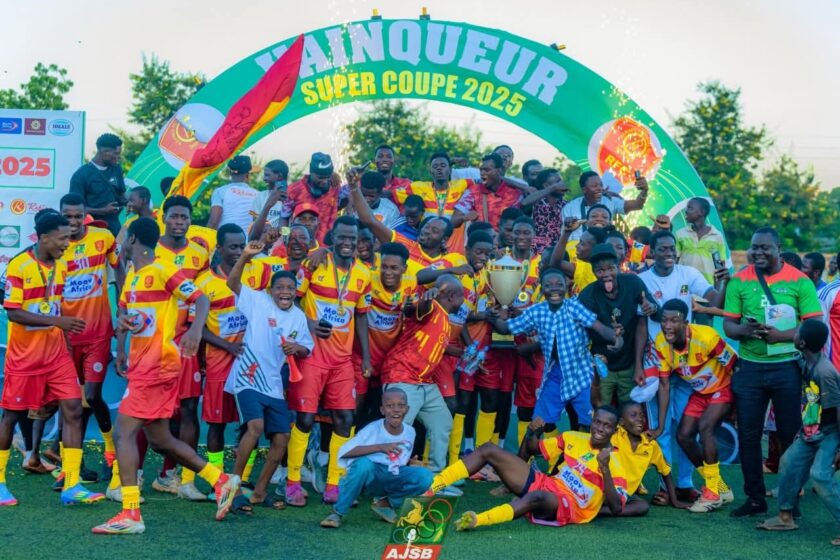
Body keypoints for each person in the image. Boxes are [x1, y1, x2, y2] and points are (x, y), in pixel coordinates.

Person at [92, 217, 239, 534]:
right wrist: (124, 333)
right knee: (160, 439)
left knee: (123, 433)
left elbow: (200, 298)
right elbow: (133, 319)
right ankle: (221, 480)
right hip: (143, 363)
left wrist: (196, 331)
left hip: (157, 365)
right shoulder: (133, 278)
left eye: (122, 239)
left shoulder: (163, 269)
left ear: (131, 240)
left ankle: (130, 514)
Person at [0, 213, 104, 507]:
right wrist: (58, 321)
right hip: (25, 357)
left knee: (73, 407)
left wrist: (64, 336)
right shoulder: (19, 267)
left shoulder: (62, 266)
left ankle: (71, 484)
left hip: (56, 355)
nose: (67, 244)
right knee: (10, 415)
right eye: (62, 238)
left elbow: (54, 304)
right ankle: (0, 483)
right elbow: (14, 313)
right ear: (44, 238)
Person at [723, 226, 823, 517]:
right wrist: (745, 330)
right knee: (749, 436)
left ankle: (791, 500)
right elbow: (729, 325)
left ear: (779, 249)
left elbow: (814, 326)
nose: (758, 252)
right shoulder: (739, 281)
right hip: (750, 369)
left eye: (765, 247)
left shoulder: (799, 281)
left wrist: (780, 336)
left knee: (791, 436)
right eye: (755, 247)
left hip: (787, 368)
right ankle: (755, 499)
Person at [638, 229, 729, 503]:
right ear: (652, 251)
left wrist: (722, 283)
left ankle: (686, 483)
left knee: (685, 427)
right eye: (662, 249)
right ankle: (666, 487)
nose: (668, 253)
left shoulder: (688, 274)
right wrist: (638, 363)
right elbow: (640, 324)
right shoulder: (641, 280)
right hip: (657, 365)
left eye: (671, 249)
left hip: (688, 366)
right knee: (661, 428)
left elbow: (714, 300)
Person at [286, 216, 372, 506]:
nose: (347, 243)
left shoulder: (364, 274)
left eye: (353, 238)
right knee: (306, 419)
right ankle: (293, 482)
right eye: (342, 237)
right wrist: (310, 324)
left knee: (345, 419)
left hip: (342, 361)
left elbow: (361, 316)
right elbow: (291, 300)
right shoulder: (315, 263)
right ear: (332, 238)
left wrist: (366, 358)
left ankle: (335, 483)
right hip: (312, 356)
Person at [428, 407, 630, 529]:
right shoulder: (574, 437)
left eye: (606, 426)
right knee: (489, 449)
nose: (600, 429)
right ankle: (433, 487)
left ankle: (478, 520)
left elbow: (616, 507)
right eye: (597, 422)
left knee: (537, 496)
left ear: (615, 429)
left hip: (569, 505)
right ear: (592, 421)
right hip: (548, 483)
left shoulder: (617, 464)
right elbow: (533, 448)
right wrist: (534, 431)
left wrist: (605, 469)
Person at [225, 239, 314, 510]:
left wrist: (296, 347)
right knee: (255, 427)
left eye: (290, 288)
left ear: (296, 292)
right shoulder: (258, 301)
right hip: (248, 377)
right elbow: (232, 283)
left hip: (274, 384)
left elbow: (306, 349)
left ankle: (260, 491)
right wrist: (246, 257)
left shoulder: (298, 316)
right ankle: (232, 488)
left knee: (282, 438)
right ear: (271, 290)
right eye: (280, 287)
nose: (285, 291)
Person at [487, 268, 621, 430]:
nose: (554, 288)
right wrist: (493, 317)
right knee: (537, 424)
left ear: (566, 287)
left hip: (582, 372)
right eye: (549, 285)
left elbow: (599, 327)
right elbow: (506, 328)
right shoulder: (537, 311)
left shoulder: (574, 307)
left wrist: (616, 338)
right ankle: (527, 454)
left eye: (559, 284)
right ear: (542, 289)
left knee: (590, 424)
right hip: (555, 373)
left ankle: (585, 454)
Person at [756, 319, 840, 546]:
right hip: (810, 431)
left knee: (821, 476)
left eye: (795, 334)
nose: (791, 335)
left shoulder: (825, 372)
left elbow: (837, 409)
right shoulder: (804, 361)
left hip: (830, 433)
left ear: (801, 342)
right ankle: (785, 516)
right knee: (787, 463)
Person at [650, 299, 738, 513]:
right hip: (701, 394)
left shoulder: (706, 336)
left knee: (705, 427)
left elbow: (737, 367)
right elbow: (664, 386)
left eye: (674, 320)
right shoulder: (661, 343)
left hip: (724, 387)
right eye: (664, 320)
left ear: (686, 322)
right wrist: (661, 426)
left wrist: (735, 409)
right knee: (683, 435)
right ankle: (719, 486)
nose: (667, 325)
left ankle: (712, 494)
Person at [59, 194, 122, 483]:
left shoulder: (103, 237)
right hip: (67, 338)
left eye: (77, 216)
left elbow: (119, 268)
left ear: (85, 215)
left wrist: (124, 304)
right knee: (71, 402)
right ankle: (72, 467)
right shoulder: (55, 247)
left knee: (92, 396)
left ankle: (111, 450)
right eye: (67, 216)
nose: (72, 222)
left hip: (98, 332)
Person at [151, 195, 211, 500]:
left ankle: (184, 479)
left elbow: (204, 296)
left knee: (188, 408)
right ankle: (128, 478)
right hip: (152, 343)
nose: (179, 222)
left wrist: (196, 331)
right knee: (148, 410)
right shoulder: (151, 250)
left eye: (184, 218)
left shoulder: (200, 254)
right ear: (164, 217)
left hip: (187, 342)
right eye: (174, 216)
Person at [418, 233, 493, 461]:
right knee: (439, 405)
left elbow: (461, 317)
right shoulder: (453, 260)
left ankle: (450, 460)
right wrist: (452, 271)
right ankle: (425, 457)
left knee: (452, 404)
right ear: (467, 249)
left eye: (487, 254)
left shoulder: (482, 277)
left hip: (454, 351)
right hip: (433, 350)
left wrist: (472, 348)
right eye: (478, 252)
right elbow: (421, 276)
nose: (482, 257)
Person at [380, 275, 463, 473]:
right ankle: (387, 479)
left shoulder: (445, 318)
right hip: (402, 377)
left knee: (443, 422)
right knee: (397, 430)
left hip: (424, 382)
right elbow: (421, 309)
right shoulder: (433, 307)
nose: (464, 301)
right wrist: (427, 298)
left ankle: (434, 478)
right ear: (451, 296)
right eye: (462, 296)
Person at [320, 387, 433, 529]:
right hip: (368, 479)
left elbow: (397, 460)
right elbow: (344, 451)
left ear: (407, 409)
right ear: (382, 410)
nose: (396, 410)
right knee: (364, 465)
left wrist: (411, 463)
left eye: (401, 405)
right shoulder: (372, 429)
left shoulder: (410, 431)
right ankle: (338, 512)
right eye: (390, 406)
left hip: (391, 475)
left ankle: (386, 503)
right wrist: (380, 447)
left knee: (425, 476)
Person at [194, 225, 249, 492]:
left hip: (249, 363)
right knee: (216, 423)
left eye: (242, 246)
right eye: (233, 246)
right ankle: (216, 477)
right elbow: (198, 328)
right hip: (219, 362)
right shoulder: (204, 282)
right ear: (219, 249)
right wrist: (227, 346)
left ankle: (243, 477)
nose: (238, 251)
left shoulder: (254, 275)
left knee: (250, 421)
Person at [482, 217, 543, 449]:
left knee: (528, 399)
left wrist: (526, 314)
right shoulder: (499, 261)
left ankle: (523, 453)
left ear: (533, 236)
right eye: (517, 232)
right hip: (503, 335)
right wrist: (501, 309)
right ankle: (489, 447)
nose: (521, 237)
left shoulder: (540, 263)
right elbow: (490, 294)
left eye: (527, 232)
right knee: (501, 393)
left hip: (531, 338)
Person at [578, 244, 657, 406]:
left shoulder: (633, 283)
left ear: (618, 267)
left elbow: (655, 314)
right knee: (601, 413)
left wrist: (652, 307)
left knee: (630, 413)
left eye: (611, 269)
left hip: (629, 365)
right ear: (594, 272)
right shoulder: (587, 295)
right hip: (602, 367)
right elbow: (584, 333)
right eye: (600, 270)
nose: (606, 274)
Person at [352, 243, 417, 428]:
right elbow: (360, 314)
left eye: (394, 268)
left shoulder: (410, 283)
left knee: (380, 407)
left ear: (404, 268)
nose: (388, 272)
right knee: (357, 407)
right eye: (385, 267)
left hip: (389, 357)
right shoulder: (368, 278)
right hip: (362, 355)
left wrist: (410, 309)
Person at [350, 180, 465, 275]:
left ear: (444, 239)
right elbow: (369, 220)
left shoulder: (450, 261)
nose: (426, 231)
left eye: (434, 230)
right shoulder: (404, 244)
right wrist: (354, 186)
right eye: (426, 226)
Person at [607, 402, 686, 511]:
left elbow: (666, 472)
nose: (640, 418)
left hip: (625, 494)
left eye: (642, 415)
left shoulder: (651, 445)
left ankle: (602, 511)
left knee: (643, 506)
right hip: (606, 488)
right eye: (633, 415)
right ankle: (609, 508)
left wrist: (674, 500)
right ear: (621, 422)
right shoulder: (614, 436)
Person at [390, 152, 474, 253]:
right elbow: (390, 193)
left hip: (453, 246)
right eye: (435, 166)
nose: (439, 168)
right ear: (430, 171)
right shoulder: (418, 187)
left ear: (450, 170)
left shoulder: (463, 184)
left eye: (443, 166)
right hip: (427, 245)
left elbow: (483, 182)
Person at [561, 171, 648, 241]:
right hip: (579, 252)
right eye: (594, 186)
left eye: (601, 185)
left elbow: (637, 205)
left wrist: (644, 191)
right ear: (584, 189)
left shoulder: (609, 200)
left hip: (604, 250)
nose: (599, 188)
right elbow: (566, 238)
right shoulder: (570, 208)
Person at [69, 133, 126, 236]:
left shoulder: (117, 169)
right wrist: (102, 211)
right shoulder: (81, 175)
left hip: (115, 230)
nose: (118, 157)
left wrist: (133, 202)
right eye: (116, 154)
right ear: (104, 152)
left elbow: (122, 196)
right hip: (91, 231)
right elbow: (74, 209)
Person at [452, 153, 526, 230]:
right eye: (481, 170)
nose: (482, 173)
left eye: (487, 170)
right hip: (481, 240)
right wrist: (465, 217)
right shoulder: (473, 192)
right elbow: (453, 221)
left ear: (498, 170)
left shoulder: (514, 194)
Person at [283, 152, 344, 244]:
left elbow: (354, 191)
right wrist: (285, 238)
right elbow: (284, 218)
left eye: (327, 177)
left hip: (327, 248)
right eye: (320, 178)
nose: (324, 181)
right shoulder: (293, 190)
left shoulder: (335, 187)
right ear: (311, 173)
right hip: (299, 245)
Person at [675, 197, 727, 284]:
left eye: (690, 208)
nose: (686, 211)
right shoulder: (680, 234)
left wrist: (717, 290)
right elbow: (675, 262)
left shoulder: (717, 236)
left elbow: (720, 266)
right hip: (684, 287)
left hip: (708, 288)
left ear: (702, 212)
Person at [207, 155, 259, 232]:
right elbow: (259, 221)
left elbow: (213, 222)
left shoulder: (220, 191)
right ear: (247, 175)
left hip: (225, 240)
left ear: (230, 173)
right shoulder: (258, 195)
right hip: (247, 241)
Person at [521, 169, 568, 253]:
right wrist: (553, 188)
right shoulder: (537, 201)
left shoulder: (565, 204)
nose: (562, 184)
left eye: (561, 181)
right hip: (536, 250)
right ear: (546, 185)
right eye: (558, 182)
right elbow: (524, 203)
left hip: (558, 250)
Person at [250, 159, 289, 229]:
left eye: (267, 175)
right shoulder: (260, 196)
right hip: (262, 238)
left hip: (284, 238)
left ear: (279, 176)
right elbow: (255, 222)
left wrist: (281, 237)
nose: (264, 179)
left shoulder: (292, 196)